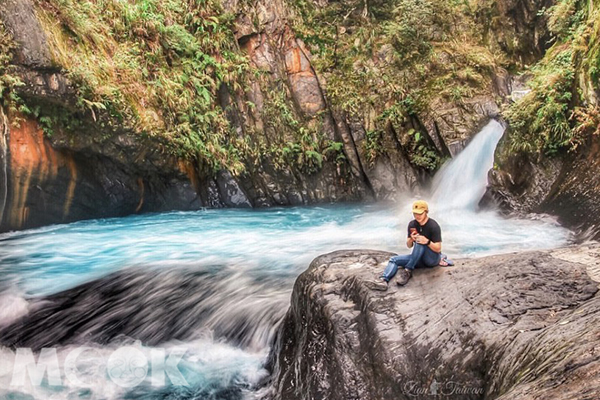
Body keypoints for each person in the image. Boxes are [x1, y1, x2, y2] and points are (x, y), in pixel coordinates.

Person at [366, 200, 445, 290]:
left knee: (420, 242)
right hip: (418, 259)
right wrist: (411, 238)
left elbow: (438, 248)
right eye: (415, 214)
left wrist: (427, 242)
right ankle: (383, 280)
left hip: (432, 259)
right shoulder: (412, 224)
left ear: (426, 212)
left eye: (420, 214)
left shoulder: (433, 226)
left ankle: (408, 270)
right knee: (394, 260)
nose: (417, 216)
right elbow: (409, 245)